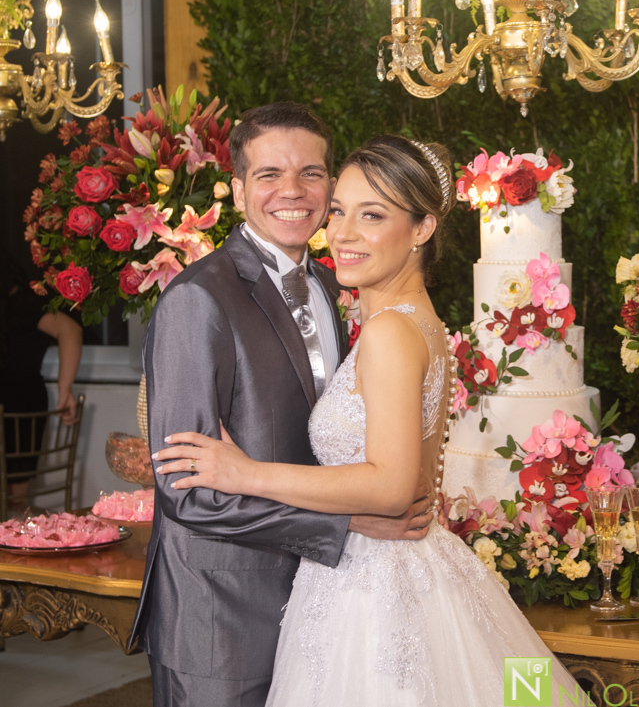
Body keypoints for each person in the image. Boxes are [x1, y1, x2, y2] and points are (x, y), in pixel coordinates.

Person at [155, 136, 577, 705]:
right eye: (339, 212)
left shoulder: (389, 332)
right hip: (388, 570)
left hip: (371, 589)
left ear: (423, 228)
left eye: (372, 215)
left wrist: (244, 472)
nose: (344, 233)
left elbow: (392, 485)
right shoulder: (415, 321)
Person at [131, 104, 434, 707]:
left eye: (312, 174)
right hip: (221, 620)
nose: (292, 192)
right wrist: (344, 525)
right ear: (239, 189)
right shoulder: (197, 300)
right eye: (269, 175)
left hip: (324, 611)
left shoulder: (332, 284)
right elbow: (189, 492)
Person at [0, 251, 82, 516]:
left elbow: (70, 330)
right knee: (15, 497)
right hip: (23, 405)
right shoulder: (21, 302)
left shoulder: (21, 303)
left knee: (14, 497)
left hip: (19, 410)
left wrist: (65, 389)